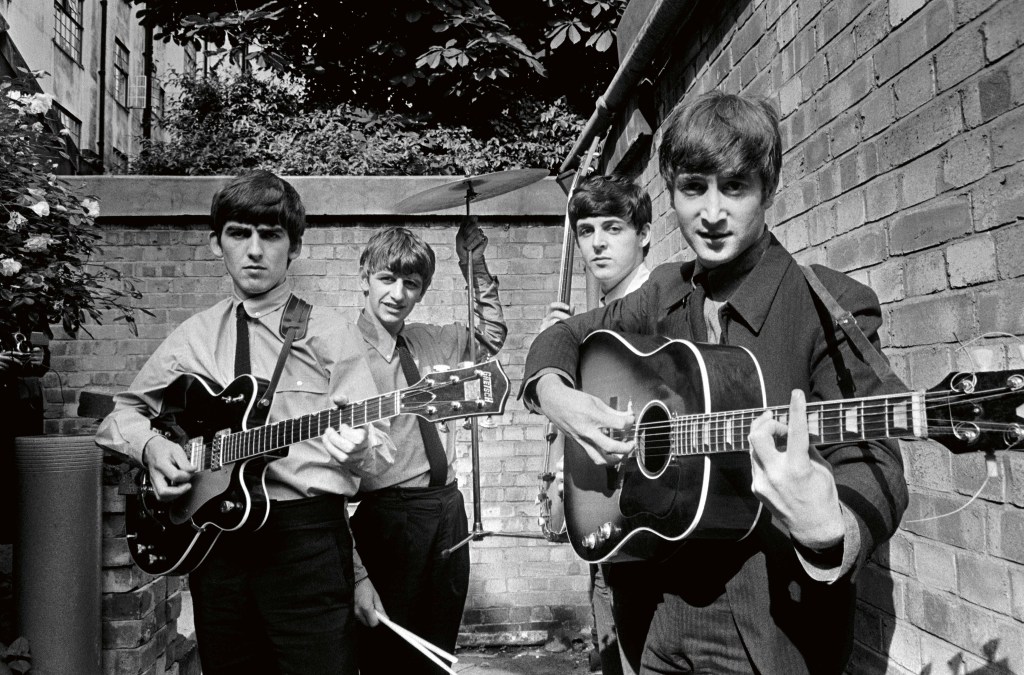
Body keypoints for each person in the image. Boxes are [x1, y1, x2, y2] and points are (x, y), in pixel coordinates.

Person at [521, 92, 909, 674]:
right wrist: (558, 397)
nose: (712, 212)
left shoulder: (829, 303)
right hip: (652, 617)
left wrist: (832, 528)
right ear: (672, 192)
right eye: (693, 188)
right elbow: (566, 336)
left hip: (772, 628)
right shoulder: (662, 294)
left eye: (735, 187)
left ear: (768, 190)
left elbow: (874, 454)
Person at [96, 170, 393, 675]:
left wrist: (361, 446)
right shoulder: (192, 336)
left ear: (295, 246)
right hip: (217, 544)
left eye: (270, 235)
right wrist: (151, 448)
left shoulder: (331, 333)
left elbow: (380, 446)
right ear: (217, 243)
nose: (254, 250)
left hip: (307, 544)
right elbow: (121, 414)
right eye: (239, 234)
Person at [350, 222, 507, 674]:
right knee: (386, 657)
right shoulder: (339, 353)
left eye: (411, 283)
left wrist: (474, 264)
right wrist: (357, 573)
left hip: (448, 511)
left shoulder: (431, 340)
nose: (398, 293)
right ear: (365, 277)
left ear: (422, 290)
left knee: (437, 652)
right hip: (388, 519)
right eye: (387, 279)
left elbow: (490, 337)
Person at [541, 174, 651, 675]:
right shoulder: (594, 320)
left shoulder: (660, 309)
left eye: (613, 228)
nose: (597, 243)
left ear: (643, 234)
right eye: (586, 231)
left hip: (648, 535)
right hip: (608, 526)